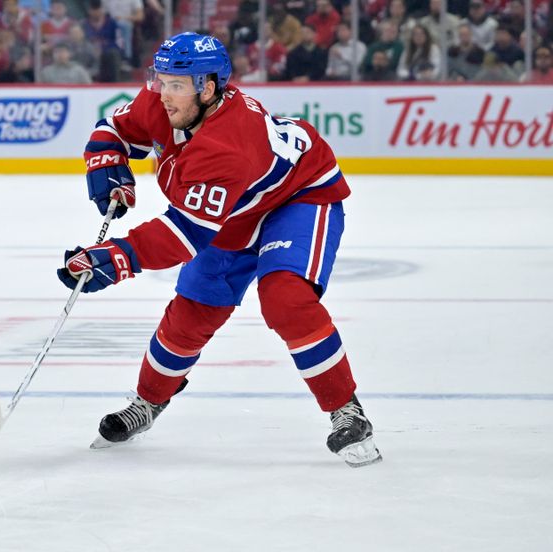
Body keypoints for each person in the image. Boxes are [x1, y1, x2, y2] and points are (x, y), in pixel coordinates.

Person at [58, 32, 382, 468]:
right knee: (192, 312)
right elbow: (115, 128)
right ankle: (149, 402)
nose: (163, 93)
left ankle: (346, 409)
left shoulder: (228, 143)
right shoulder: (163, 100)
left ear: (207, 88)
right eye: (160, 79)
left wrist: (116, 257)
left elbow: (183, 234)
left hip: (297, 198)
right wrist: (106, 161)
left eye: (176, 84)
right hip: (235, 209)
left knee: (286, 299)